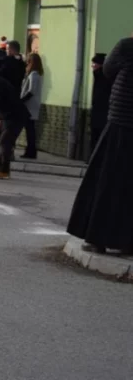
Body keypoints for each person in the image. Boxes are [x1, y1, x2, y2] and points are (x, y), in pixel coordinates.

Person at [67, 35, 133, 255]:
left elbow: (107, 70)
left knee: (107, 181)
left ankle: (97, 238)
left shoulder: (126, 45)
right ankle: (127, 242)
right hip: (124, 118)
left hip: (121, 121)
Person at [20, 53, 44, 159]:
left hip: (30, 106)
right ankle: (30, 150)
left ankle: (31, 151)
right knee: (29, 129)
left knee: (30, 129)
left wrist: (22, 100)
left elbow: (31, 90)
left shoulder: (33, 74)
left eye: (28, 61)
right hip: (30, 105)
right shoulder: (34, 74)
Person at [89, 53, 111, 155]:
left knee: (97, 135)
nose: (92, 66)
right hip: (99, 111)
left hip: (101, 112)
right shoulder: (100, 76)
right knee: (96, 135)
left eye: (94, 64)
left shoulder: (102, 76)